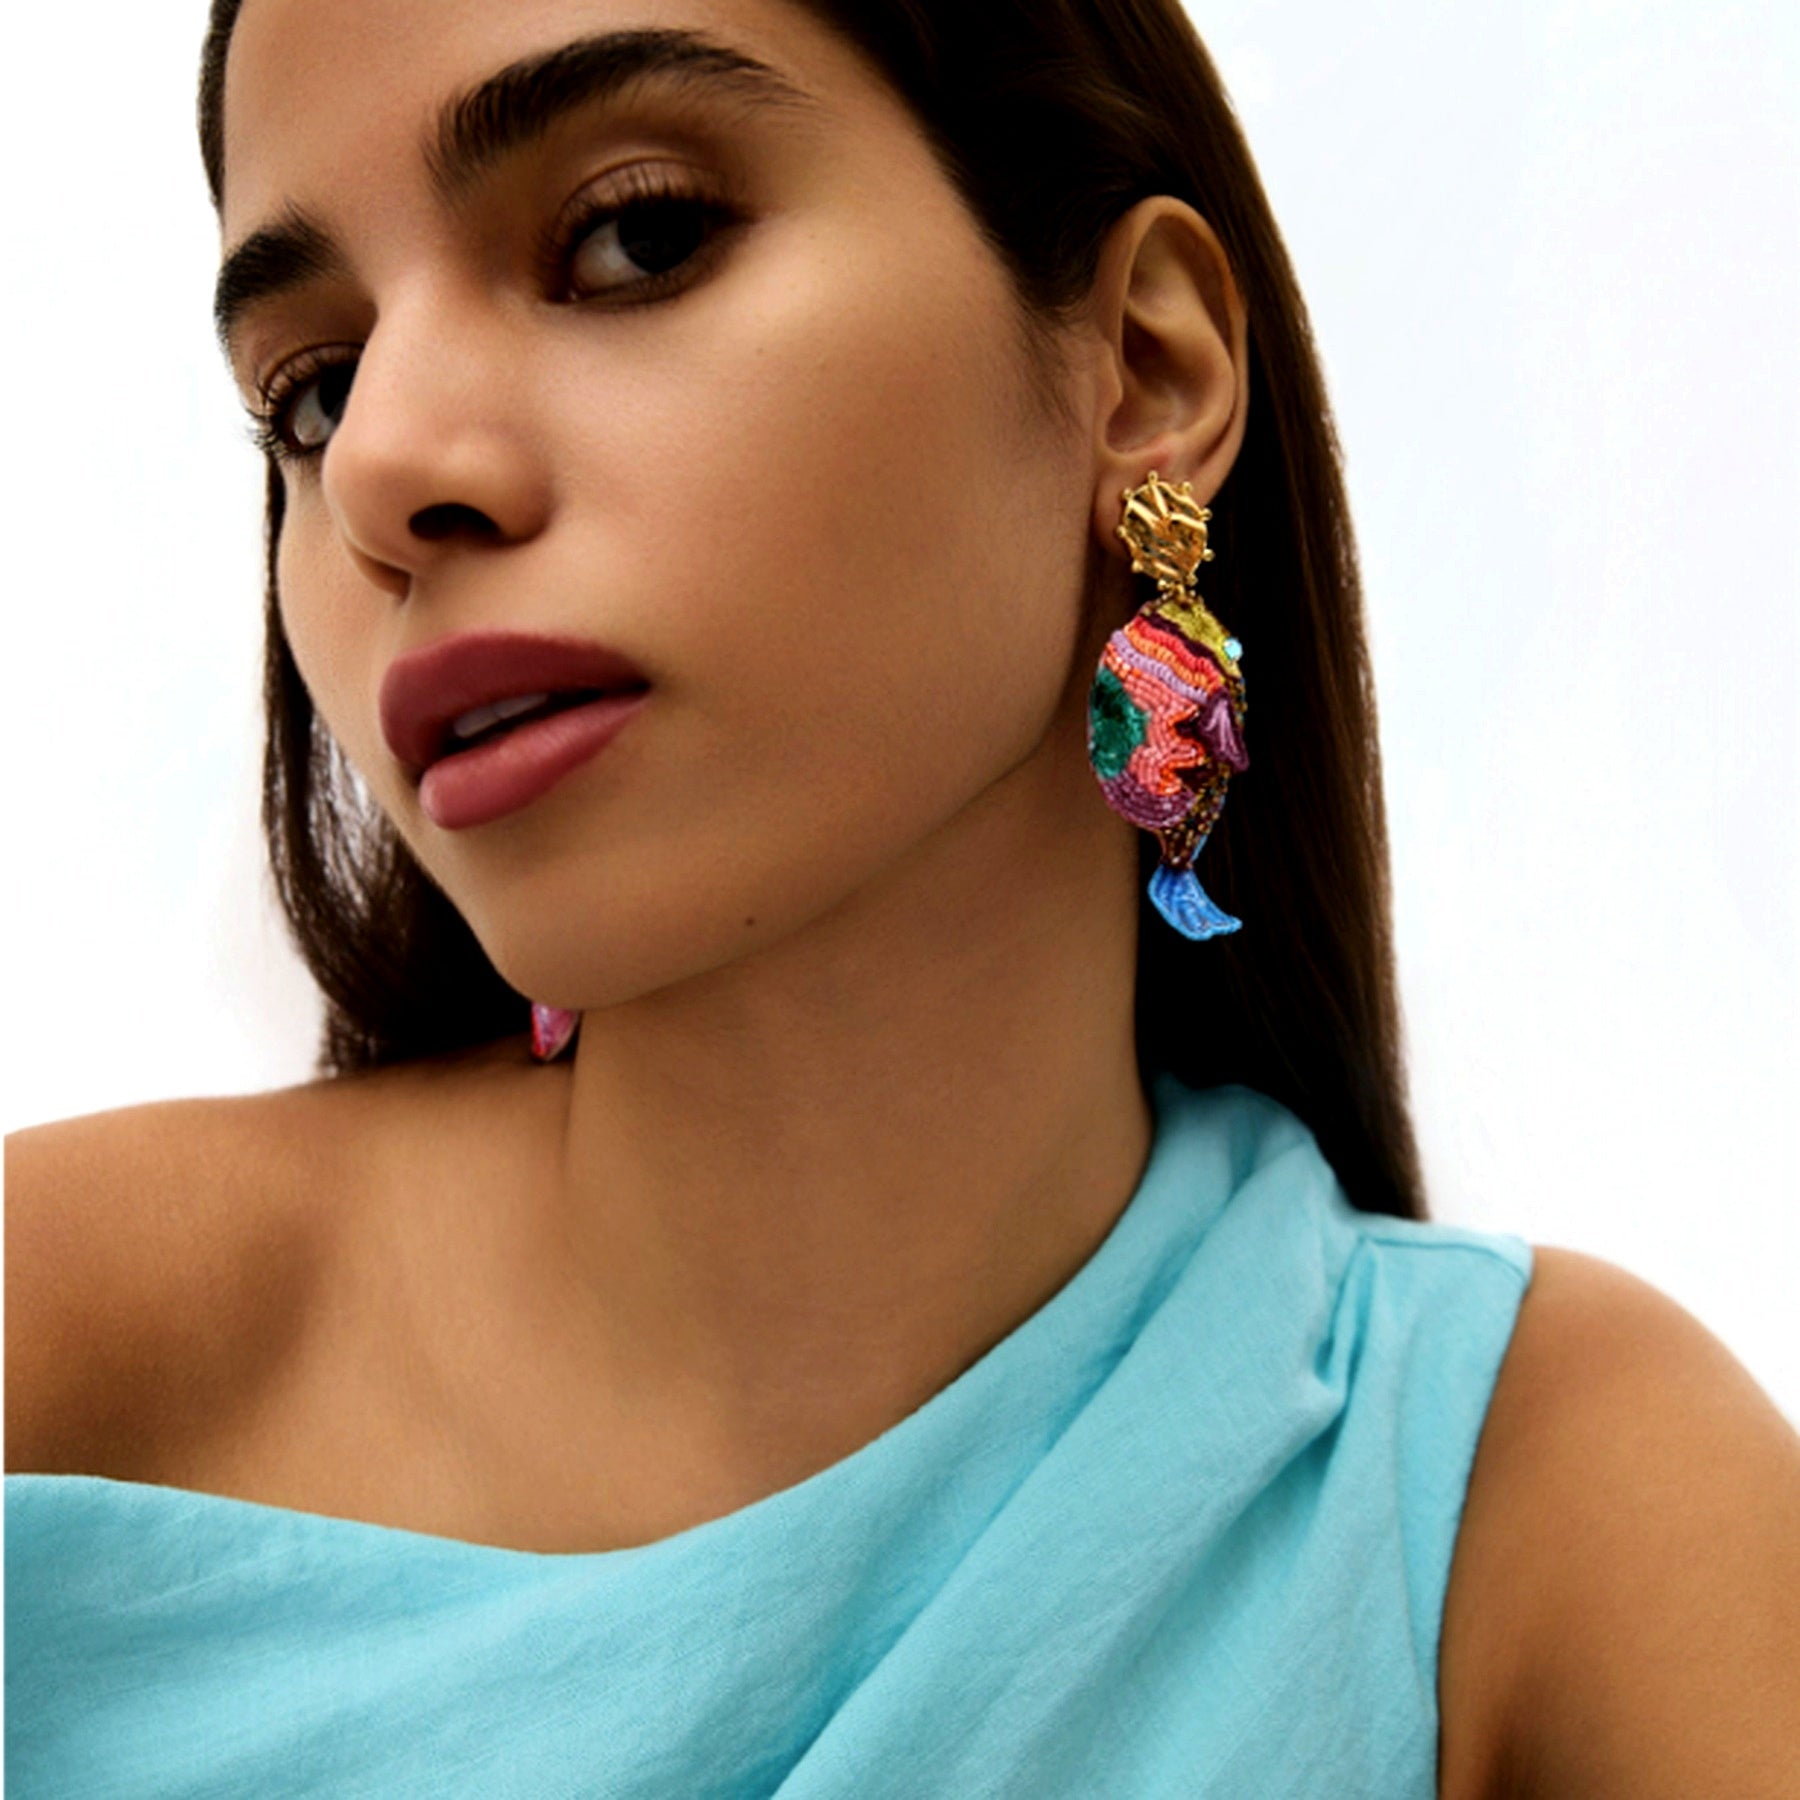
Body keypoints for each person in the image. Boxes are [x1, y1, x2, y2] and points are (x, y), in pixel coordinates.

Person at [5, 0, 1796, 1793]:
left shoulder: (1539, 1510)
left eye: (636, 236)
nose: (383, 469)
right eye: (311, 393)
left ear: (1145, 369)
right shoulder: (61, 1342)